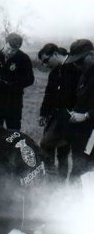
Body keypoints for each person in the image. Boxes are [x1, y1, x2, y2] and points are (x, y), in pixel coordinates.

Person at [38, 43, 80, 181]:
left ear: (55, 54)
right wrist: (43, 113)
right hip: (54, 116)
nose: (45, 64)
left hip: (70, 118)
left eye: (46, 60)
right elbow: (48, 94)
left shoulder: (75, 69)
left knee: (58, 149)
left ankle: (58, 183)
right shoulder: (54, 72)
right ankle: (52, 179)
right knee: (47, 146)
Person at [0, 33, 34, 130]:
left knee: (13, 131)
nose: (10, 52)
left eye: (14, 50)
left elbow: (30, 79)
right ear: (5, 43)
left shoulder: (24, 58)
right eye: (9, 48)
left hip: (14, 101)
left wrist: (14, 85)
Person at [64, 39, 94, 180]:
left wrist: (87, 115)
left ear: (91, 55)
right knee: (77, 169)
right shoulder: (85, 74)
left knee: (86, 172)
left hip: (92, 136)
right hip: (81, 134)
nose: (77, 65)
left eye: (80, 61)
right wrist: (74, 112)